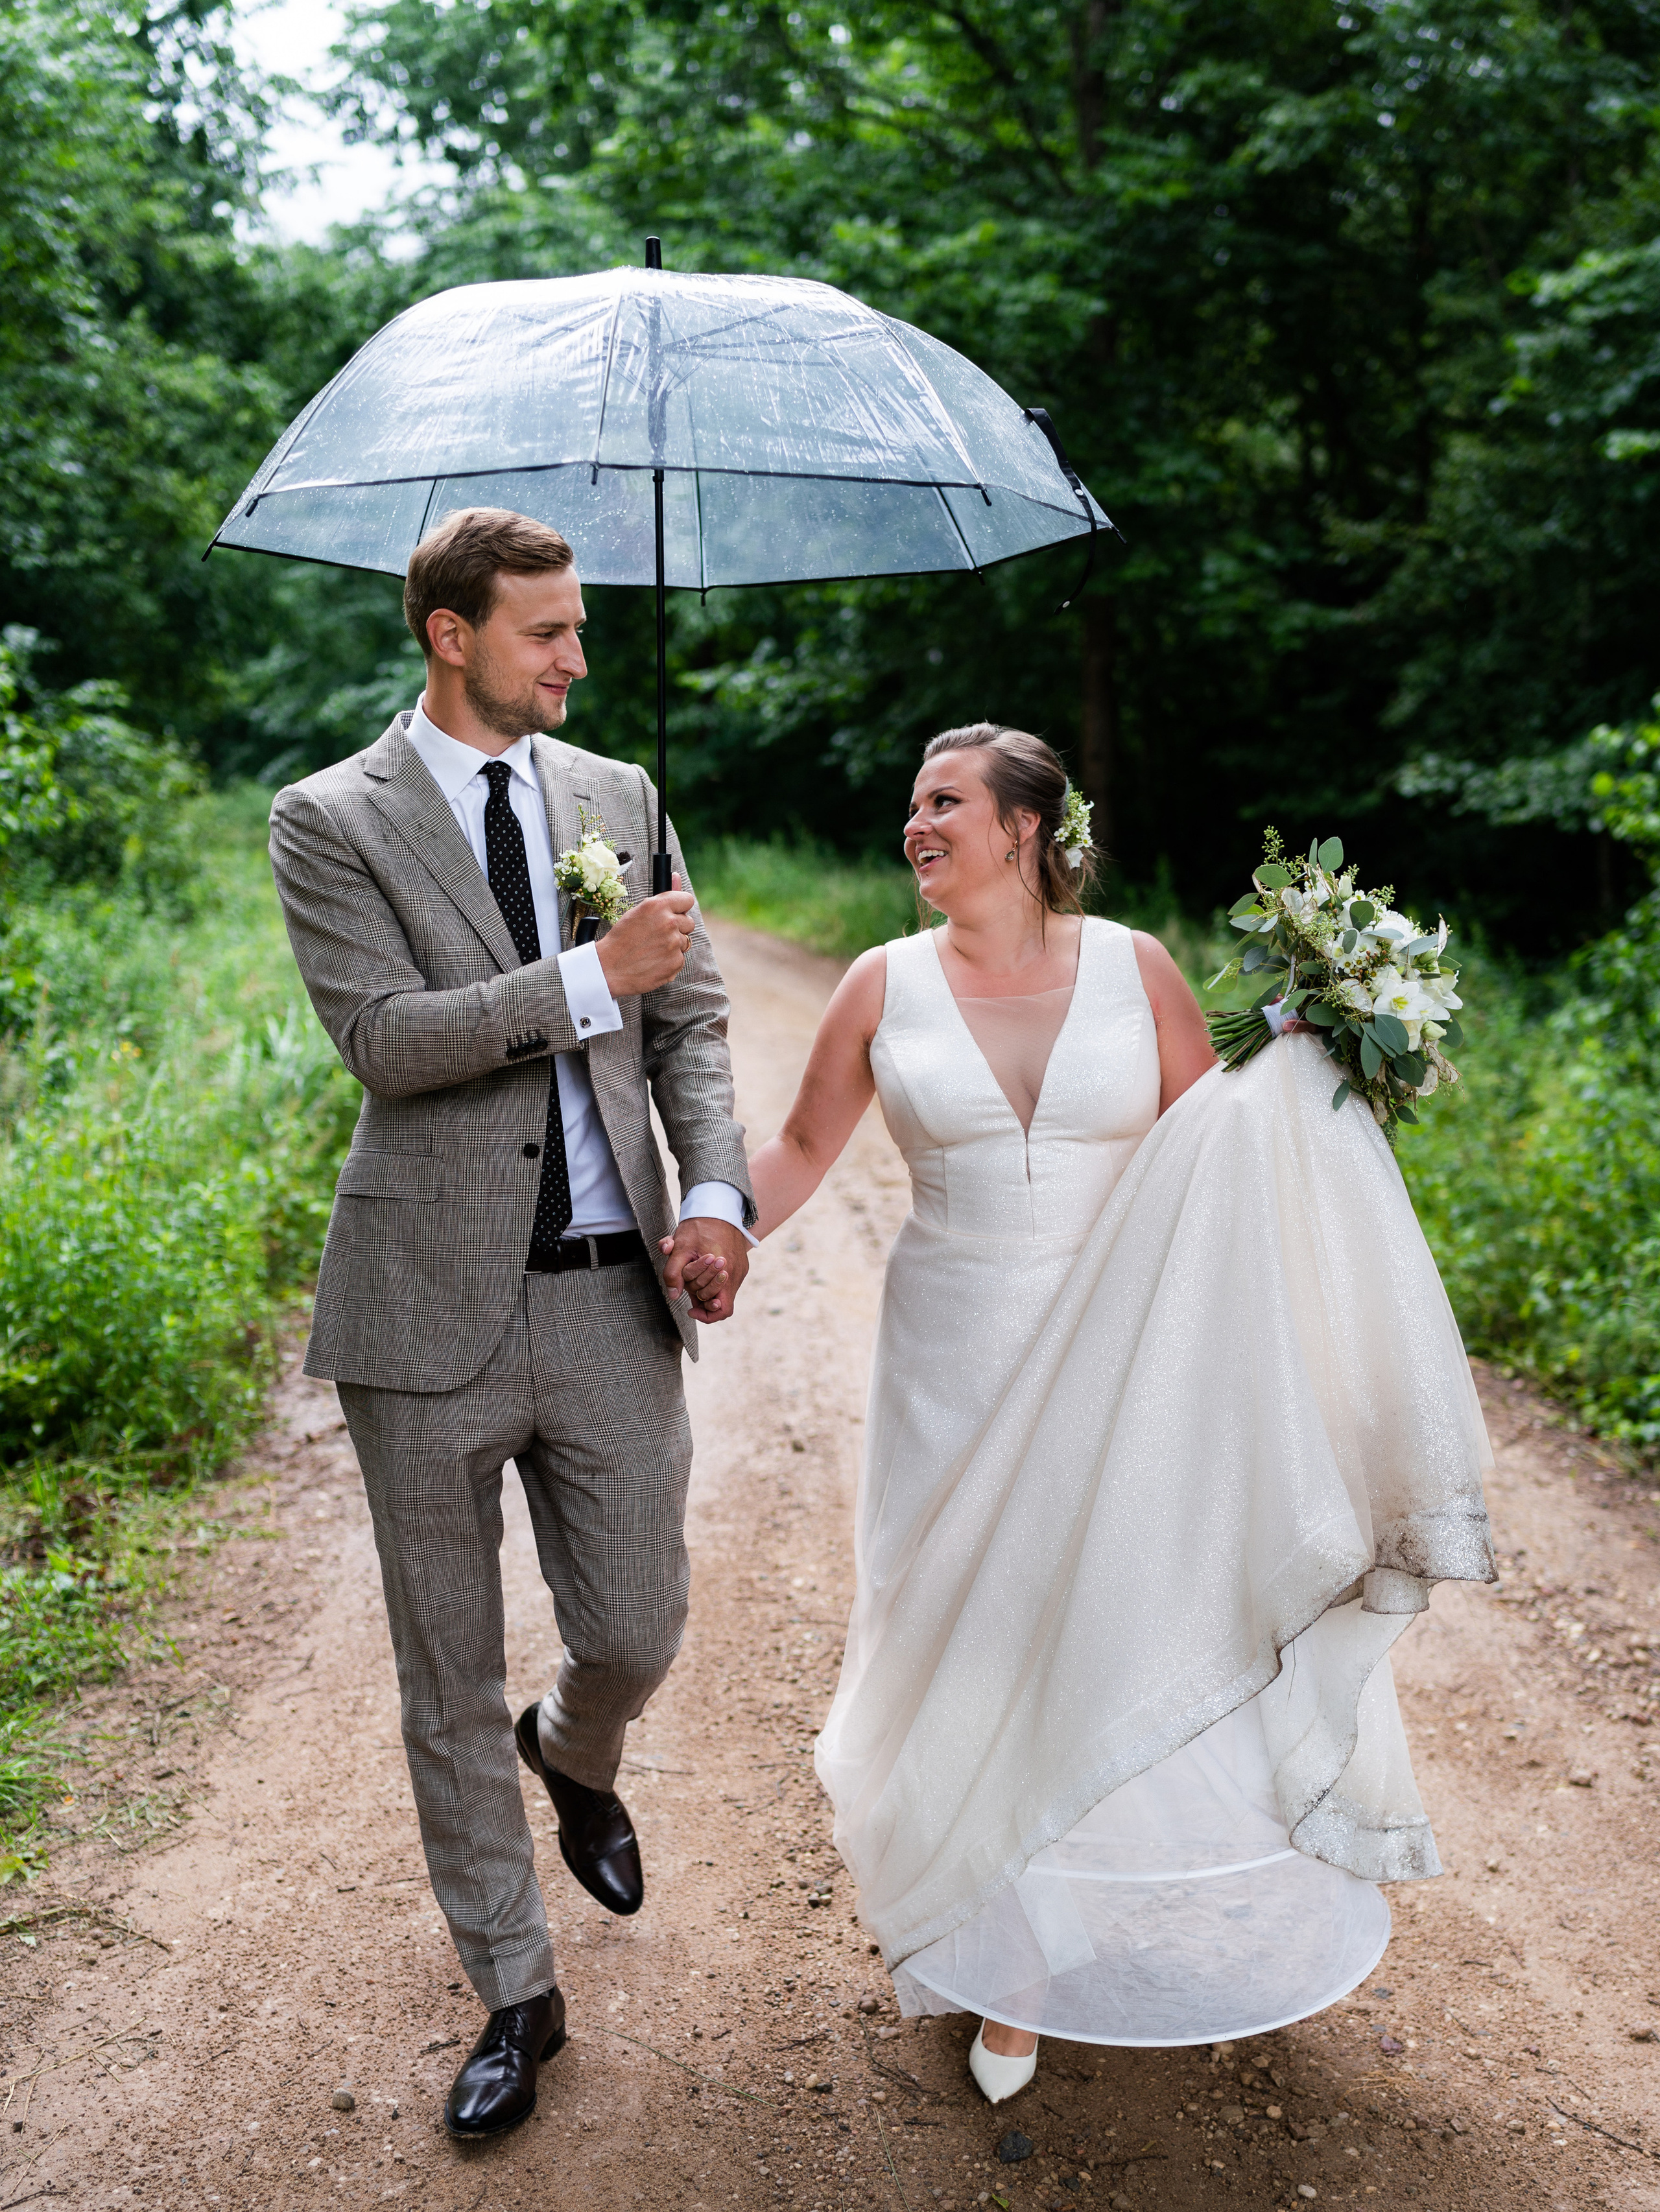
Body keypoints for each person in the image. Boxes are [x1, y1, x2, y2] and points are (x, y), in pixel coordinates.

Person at [687, 722, 1494, 2102]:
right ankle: (1008, 1954)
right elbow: (803, 1145)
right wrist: (715, 1226)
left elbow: (1211, 1146)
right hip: (948, 1355)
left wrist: (1309, 1061)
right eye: (909, 804)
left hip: (1121, 1349)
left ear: (1021, 829)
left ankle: (1061, 1939)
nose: (913, 824)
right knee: (972, 1635)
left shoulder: (1138, 967)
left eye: (942, 802)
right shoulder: (880, 983)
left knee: (1106, 1618)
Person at [267, 506, 755, 2140]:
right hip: (421, 1310)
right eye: (545, 628)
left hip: (612, 1294)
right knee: (444, 1670)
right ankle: (513, 1986)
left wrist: (715, 1197)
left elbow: (690, 1020)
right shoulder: (326, 817)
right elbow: (385, 1041)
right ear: (449, 632)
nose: (576, 655)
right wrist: (584, 977)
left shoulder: (623, 796)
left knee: (634, 1625)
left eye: (581, 626)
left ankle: (579, 1744)